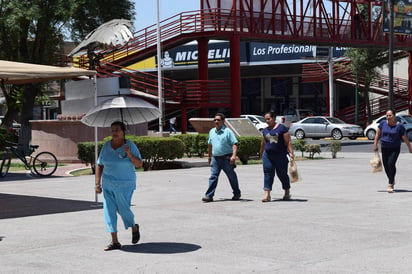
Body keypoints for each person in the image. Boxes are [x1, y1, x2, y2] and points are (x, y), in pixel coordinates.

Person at [95, 121, 143, 251]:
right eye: (112, 130)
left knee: (123, 210)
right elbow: (100, 164)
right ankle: (114, 241)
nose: (114, 133)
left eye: (117, 130)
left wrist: (129, 154)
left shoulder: (130, 145)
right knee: (109, 211)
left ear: (123, 132)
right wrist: (97, 184)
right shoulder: (106, 146)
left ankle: (133, 226)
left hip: (125, 184)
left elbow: (139, 165)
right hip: (108, 185)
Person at [202, 113, 241, 202]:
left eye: (218, 120)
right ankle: (209, 196)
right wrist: (209, 156)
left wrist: (234, 156)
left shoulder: (228, 131)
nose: (216, 121)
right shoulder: (212, 131)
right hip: (215, 158)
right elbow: (210, 145)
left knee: (231, 176)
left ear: (223, 121)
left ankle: (236, 193)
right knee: (213, 176)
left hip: (226, 158)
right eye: (215, 120)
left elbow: (234, 144)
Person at [373, 110, 412, 193]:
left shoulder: (399, 126)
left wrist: (409, 147)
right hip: (384, 147)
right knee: (386, 165)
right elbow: (377, 134)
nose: (388, 117)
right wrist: (375, 144)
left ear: (394, 116)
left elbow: (404, 137)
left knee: (391, 163)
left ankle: (390, 184)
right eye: (387, 115)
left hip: (395, 148)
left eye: (390, 115)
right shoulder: (383, 123)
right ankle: (392, 179)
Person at [259, 111, 294, 202]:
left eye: (268, 119)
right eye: (265, 119)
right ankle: (267, 195)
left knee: (282, 174)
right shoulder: (265, 130)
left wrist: (291, 153)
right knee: (268, 173)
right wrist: (261, 153)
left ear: (274, 118)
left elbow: (288, 142)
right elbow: (263, 142)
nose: (267, 121)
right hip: (268, 155)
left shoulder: (282, 128)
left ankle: (287, 192)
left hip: (280, 155)